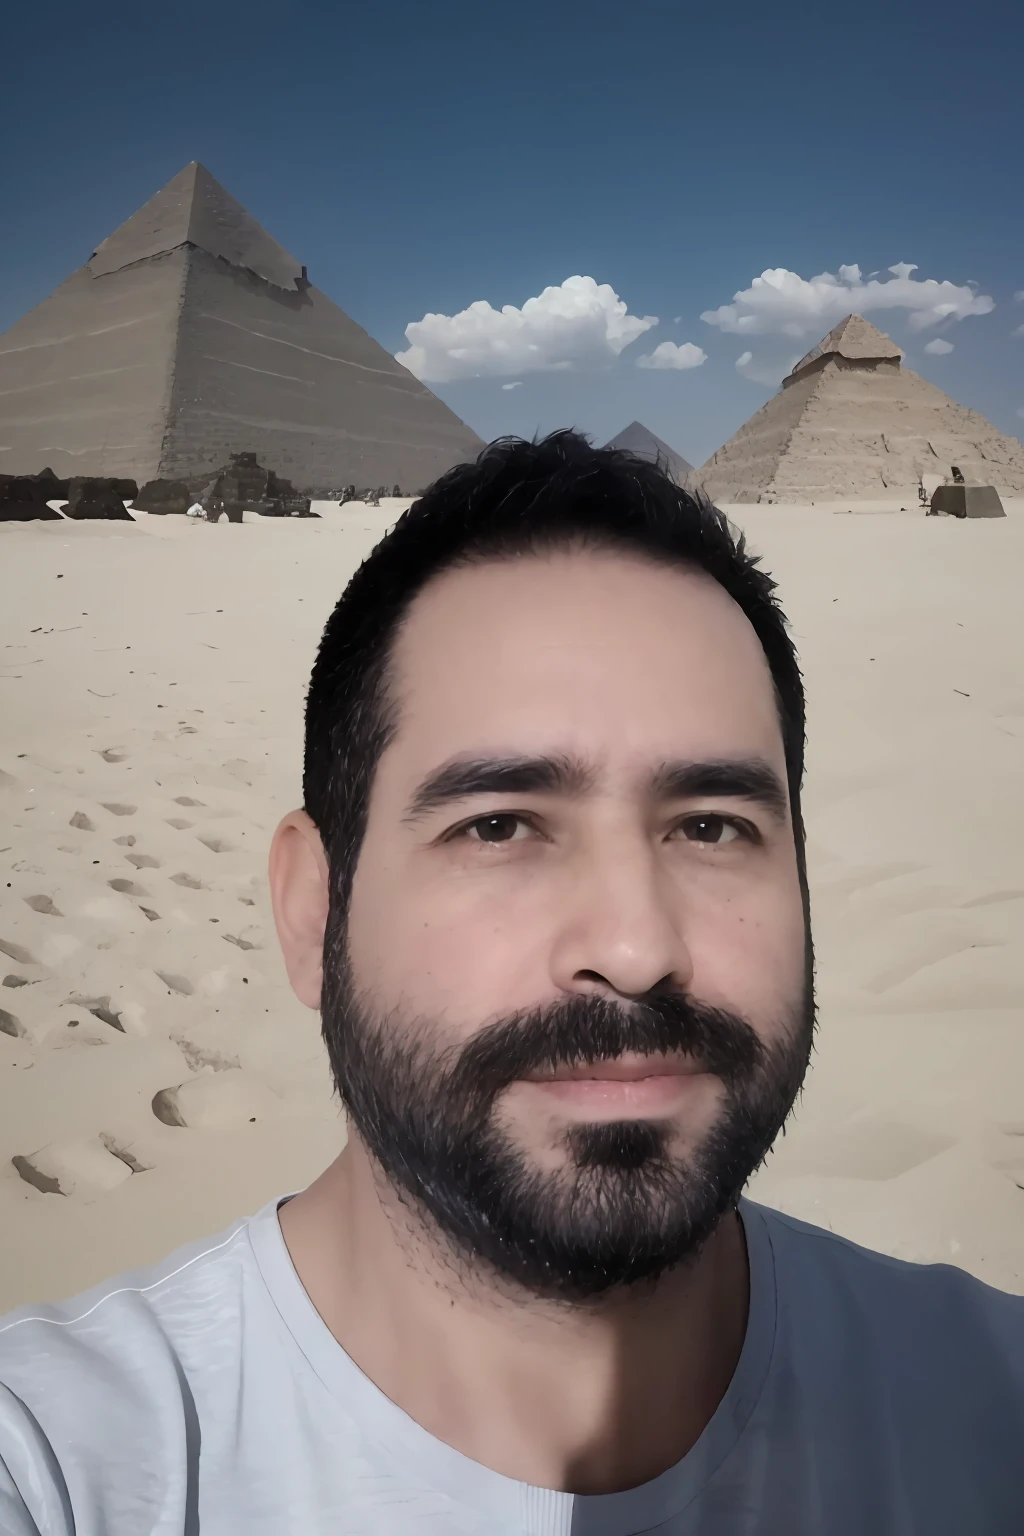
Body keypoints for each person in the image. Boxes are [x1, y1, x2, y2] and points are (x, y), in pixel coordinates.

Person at [0, 431, 1021, 1534]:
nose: (634, 948)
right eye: (498, 825)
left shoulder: (991, 1400)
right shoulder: (67, 1464)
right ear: (311, 912)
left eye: (712, 826)